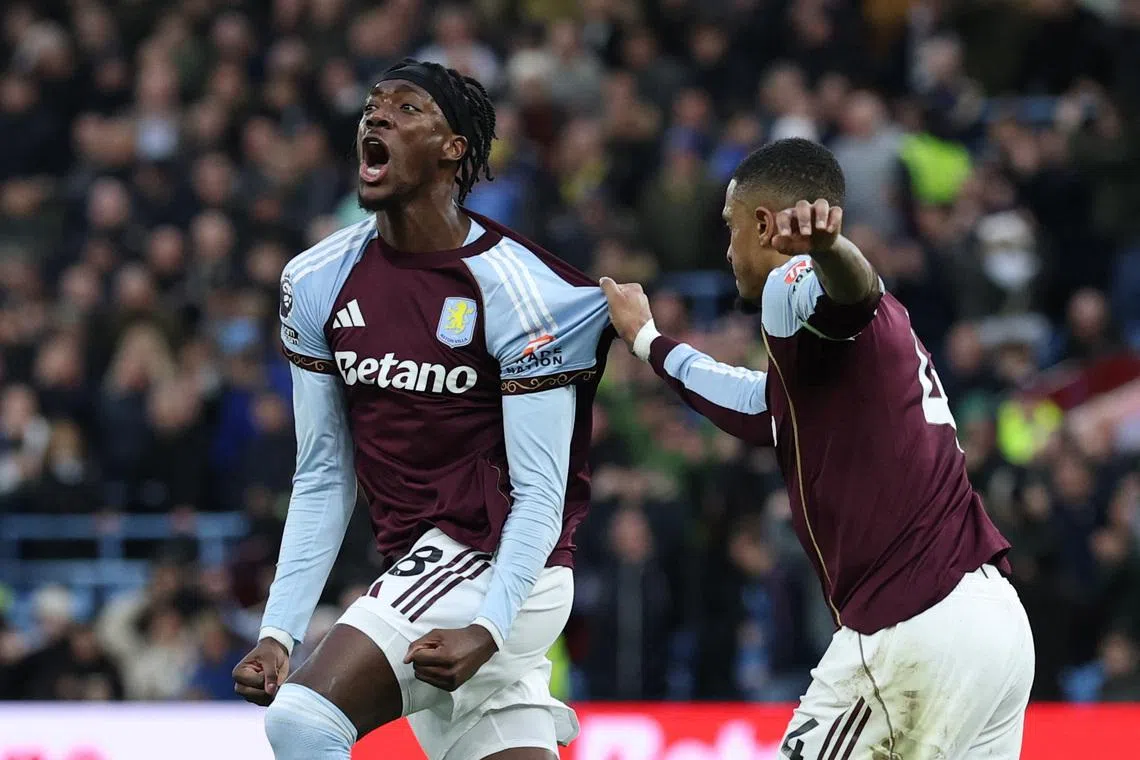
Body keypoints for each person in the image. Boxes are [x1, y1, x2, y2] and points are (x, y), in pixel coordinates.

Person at [600, 138, 1034, 759]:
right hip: (994, 626)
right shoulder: (885, 333)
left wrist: (829, 248)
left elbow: (850, 297)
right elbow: (759, 407)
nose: (726, 250)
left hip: (914, 623)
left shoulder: (793, 279)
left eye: (730, 228)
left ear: (761, 223)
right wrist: (647, 340)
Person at [231, 59, 613, 760]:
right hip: (427, 573)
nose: (376, 118)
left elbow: (540, 492)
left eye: (407, 110)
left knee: (302, 723)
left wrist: (490, 628)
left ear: (453, 149)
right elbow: (323, 473)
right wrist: (278, 631)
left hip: (498, 565)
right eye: (373, 108)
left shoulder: (525, 293)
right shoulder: (316, 281)